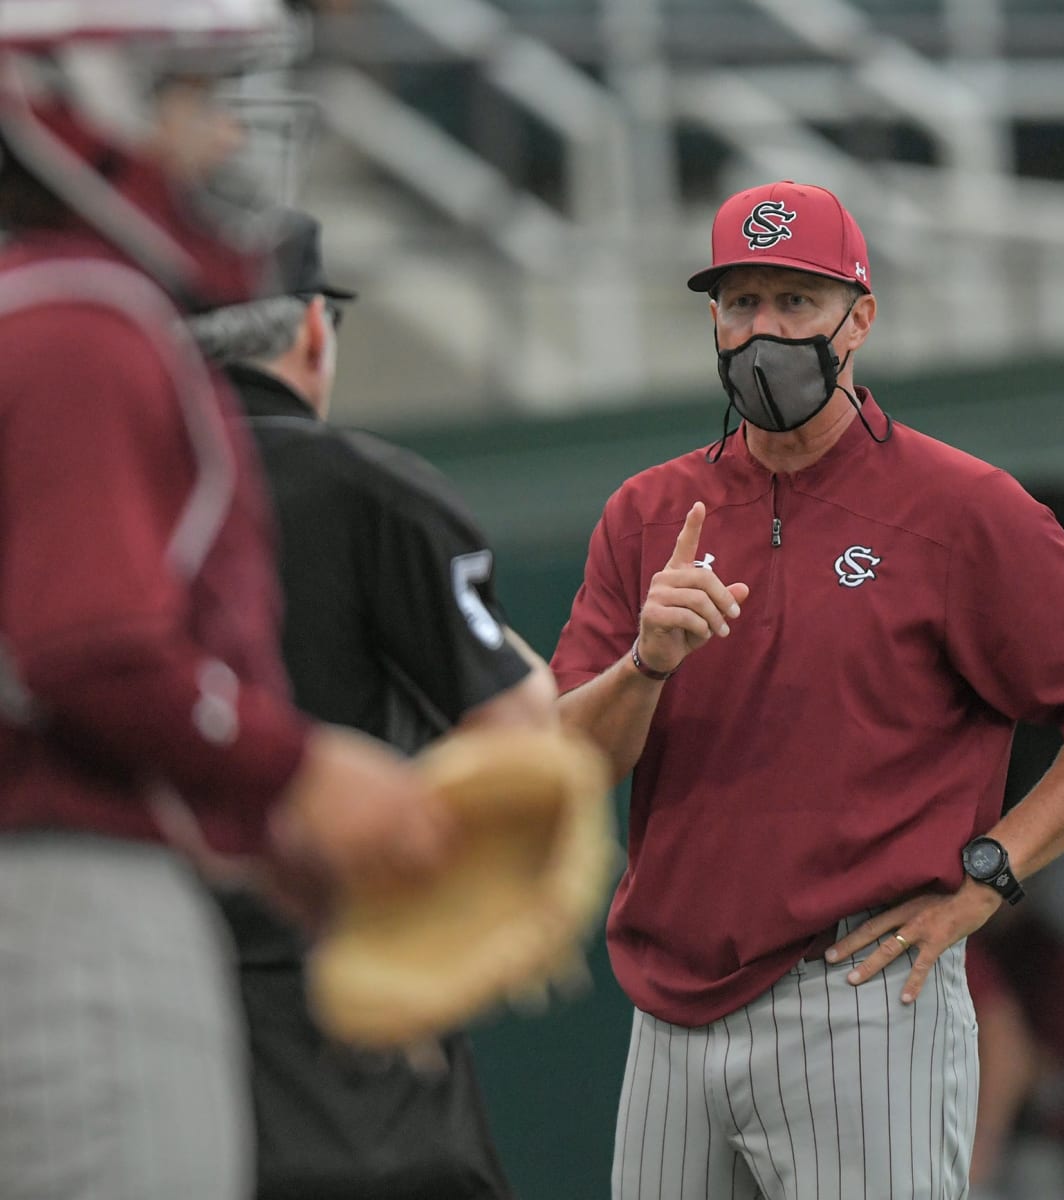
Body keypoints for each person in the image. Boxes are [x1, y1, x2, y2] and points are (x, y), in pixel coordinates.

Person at [548, 179, 1064, 1199]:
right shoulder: (648, 512)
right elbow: (563, 761)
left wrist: (991, 874)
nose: (766, 330)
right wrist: (647, 666)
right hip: (670, 1002)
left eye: (796, 302)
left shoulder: (959, 507)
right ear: (713, 319)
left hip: (855, 989)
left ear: (860, 319)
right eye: (743, 301)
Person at [0, 9, 452, 1200]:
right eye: (189, 92)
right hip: (67, 903)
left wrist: (256, 835)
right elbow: (87, 652)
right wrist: (299, 772)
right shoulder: (79, 317)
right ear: (63, 101)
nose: (220, 136)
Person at [188, 208, 558, 1200]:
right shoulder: (369, 491)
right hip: (351, 1041)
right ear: (315, 329)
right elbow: (526, 739)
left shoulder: (98, 491)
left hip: (137, 1014)